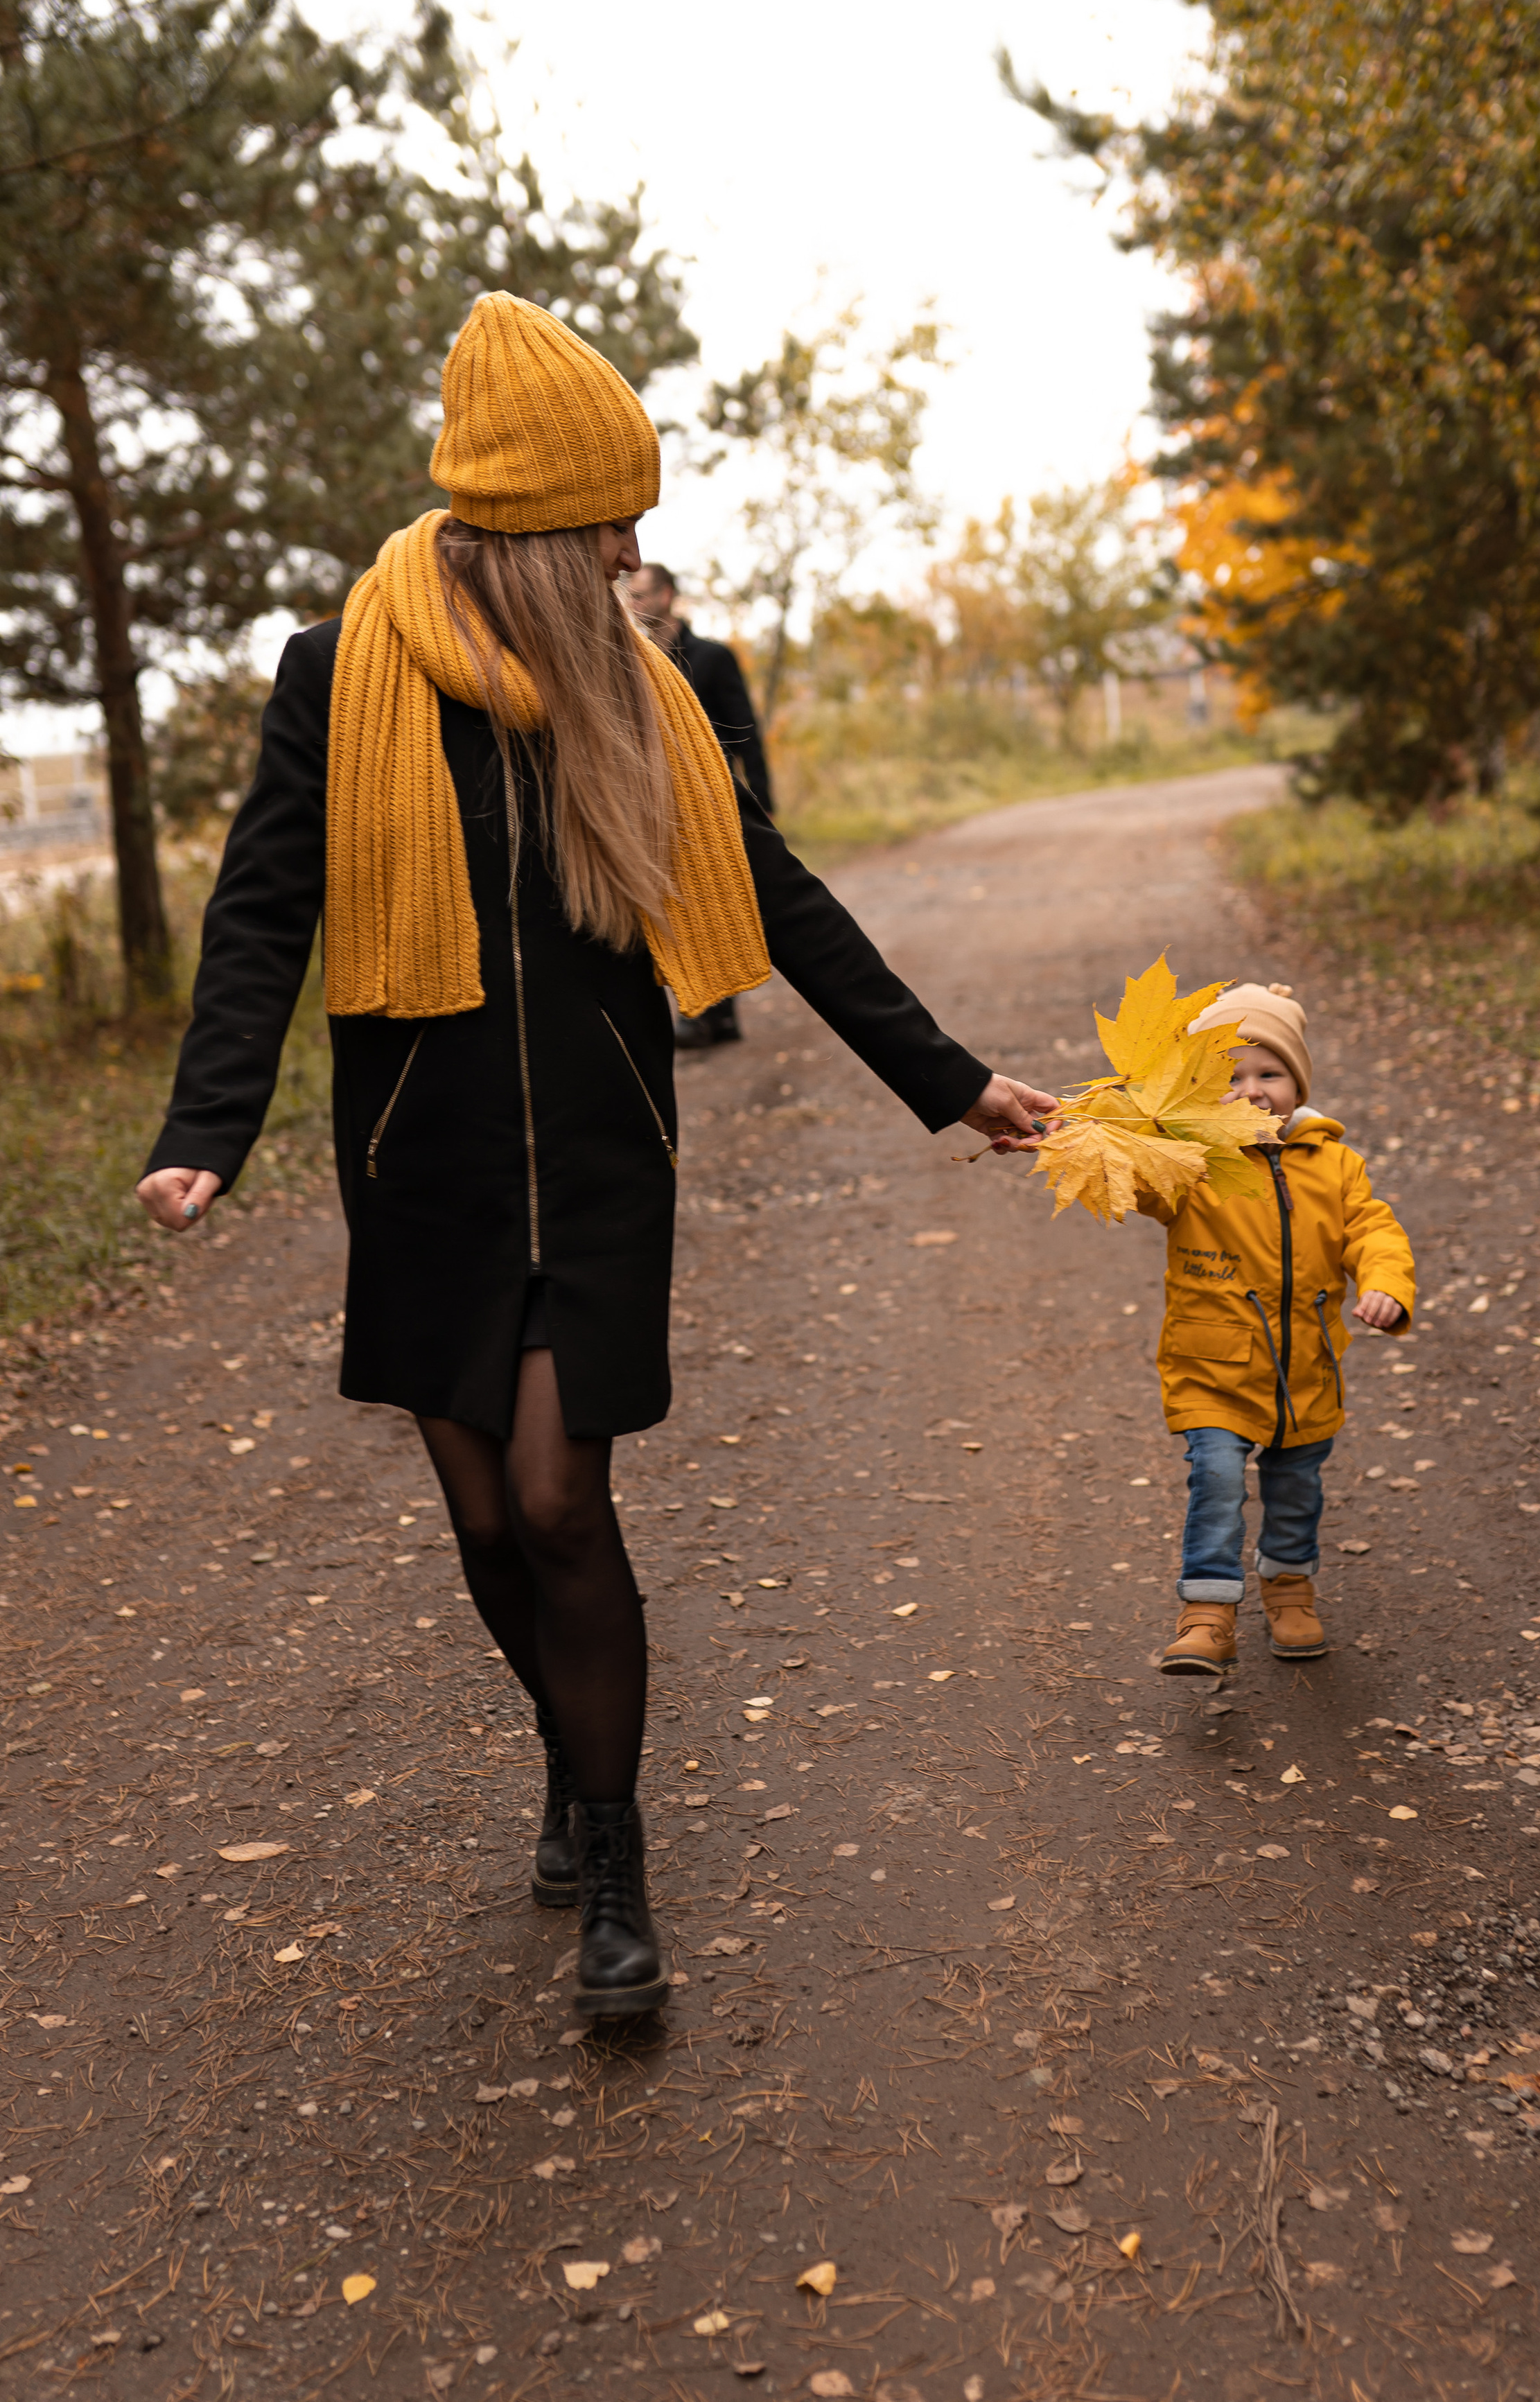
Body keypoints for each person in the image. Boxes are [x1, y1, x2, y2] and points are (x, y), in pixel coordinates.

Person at [135, 292, 1055, 2018]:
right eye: (610, 519)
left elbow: (772, 891)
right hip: (426, 1160)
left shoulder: (636, 691)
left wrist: (949, 1079)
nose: (637, 549)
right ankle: (568, 1752)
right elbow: (265, 905)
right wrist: (207, 1126)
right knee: (485, 1520)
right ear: (527, 522)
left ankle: (617, 1859)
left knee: (561, 1494)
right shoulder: (340, 677)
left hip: (609, 1155)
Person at [1135, 982, 1415, 1683]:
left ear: (1298, 1080)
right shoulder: (1192, 1163)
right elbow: (1139, 1182)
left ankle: (1289, 1589)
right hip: (1213, 1366)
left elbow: (1372, 1229)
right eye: (1229, 1078)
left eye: (1268, 1073)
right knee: (1219, 1478)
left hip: (1306, 1368)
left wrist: (1384, 1285)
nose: (1251, 1091)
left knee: (1294, 1489)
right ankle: (1206, 1614)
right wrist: (1135, 1124)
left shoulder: (1334, 1163)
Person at [624, 562, 771, 1051]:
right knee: (676, 904)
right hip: (651, 804)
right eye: (631, 596)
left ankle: (717, 1014)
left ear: (667, 595)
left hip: (714, 800)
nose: (636, 603)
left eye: (643, 595)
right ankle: (707, 1013)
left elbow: (746, 729)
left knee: (717, 898)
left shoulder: (711, 658)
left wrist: (763, 800)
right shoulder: (629, 658)